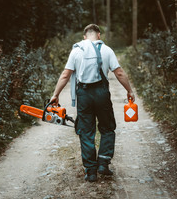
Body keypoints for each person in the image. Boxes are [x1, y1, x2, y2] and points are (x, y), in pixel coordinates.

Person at [50, 24, 135, 182]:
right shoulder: (107, 50)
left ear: (84, 37)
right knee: (107, 127)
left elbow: (65, 75)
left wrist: (55, 94)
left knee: (86, 131)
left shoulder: (77, 50)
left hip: (84, 95)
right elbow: (119, 72)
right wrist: (129, 90)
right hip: (102, 94)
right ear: (99, 35)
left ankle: (91, 171)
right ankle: (103, 163)